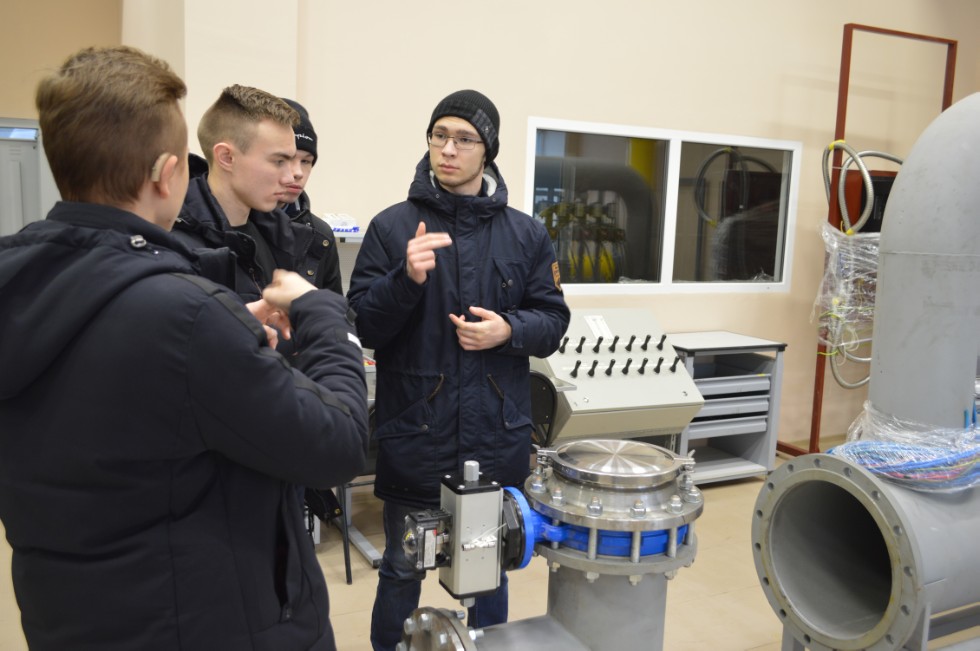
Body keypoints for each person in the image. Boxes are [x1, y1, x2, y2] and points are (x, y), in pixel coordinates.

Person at [0, 45, 368, 651]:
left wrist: (225, 329)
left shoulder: (28, 287)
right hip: (199, 621)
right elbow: (339, 444)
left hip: (73, 615)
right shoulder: (185, 316)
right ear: (168, 173)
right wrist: (324, 314)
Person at [347, 89, 570, 650]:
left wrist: (508, 331)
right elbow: (365, 325)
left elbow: (553, 320)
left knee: (488, 568)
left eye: (464, 139)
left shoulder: (526, 234)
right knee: (402, 568)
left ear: (487, 150)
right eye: (439, 136)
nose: (448, 149)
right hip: (416, 434)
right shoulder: (392, 228)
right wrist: (406, 280)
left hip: (495, 437)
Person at [172, 85, 333, 302]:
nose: (291, 177)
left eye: (301, 161)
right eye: (279, 161)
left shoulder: (280, 235)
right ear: (227, 157)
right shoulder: (175, 247)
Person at [278, 98, 343, 295]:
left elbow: (334, 307)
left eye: (306, 161)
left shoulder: (321, 235)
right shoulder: (237, 221)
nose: (298, 172)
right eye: (287, 158)